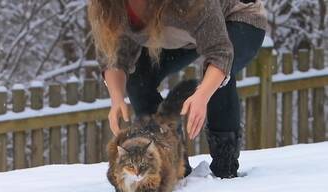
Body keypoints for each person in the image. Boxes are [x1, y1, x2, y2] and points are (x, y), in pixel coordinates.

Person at [88, 0, 267, 178]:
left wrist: (202, 94)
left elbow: (220, 52)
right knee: (138, 79)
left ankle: (225, 167)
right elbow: (112, 57)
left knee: (216, 80)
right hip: (186, 36)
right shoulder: (108, 7)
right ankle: (175, 161)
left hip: (237, 17)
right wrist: (117, 97)